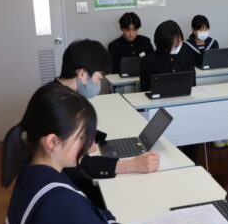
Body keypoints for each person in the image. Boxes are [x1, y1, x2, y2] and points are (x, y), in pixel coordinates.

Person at [1, 84, 228, 224]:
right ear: (52, 141)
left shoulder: (32, 175)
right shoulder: (57, 203)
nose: (91, 147)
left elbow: (80, 215)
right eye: (82, 138)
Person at [51, 40, 160, 207]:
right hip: (68, 190)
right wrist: (131, 165)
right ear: (82, 74)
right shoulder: (62, 105)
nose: (98, 84)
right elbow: (77, 166)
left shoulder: (57, 93)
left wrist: (89, 139)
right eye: (98, 78)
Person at [140, 21, 199, 161]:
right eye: (173, 42)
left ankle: (192, 162)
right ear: (162, 43)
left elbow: (192, 83)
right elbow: (145, 90)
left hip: (184, 106)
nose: (177, 44)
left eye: (178, 40)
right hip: (160, 111)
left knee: (192, 131)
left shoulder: (187, 54)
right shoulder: (149, 61)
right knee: (165, 147)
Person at [185, 15, 228, 149]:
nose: (204, 32)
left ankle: (223, 132)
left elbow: (217, 60)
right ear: (193, 30)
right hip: (197, 81)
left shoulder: (213, 43)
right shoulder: (186, 45)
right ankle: (213, 134)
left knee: (220, 104)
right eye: (200, 29)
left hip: (213, 80)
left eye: (206, 29)